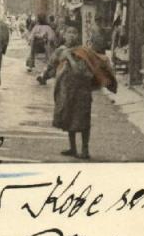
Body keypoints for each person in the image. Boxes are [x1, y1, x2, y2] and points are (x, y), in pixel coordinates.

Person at [37, 25, 117, 159]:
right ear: (64, 35)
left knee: (83, 119)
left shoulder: (84, 52)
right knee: (68, 117)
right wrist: (44, 76)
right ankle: (72, 148)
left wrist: (69, 57)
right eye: (69, 32)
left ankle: (85, 150)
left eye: (74, 32)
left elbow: (81, 71)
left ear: (78, 36)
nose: (71, 35)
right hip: (65, 90)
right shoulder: (60, 51)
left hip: (82, 91)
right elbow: (51, 66)